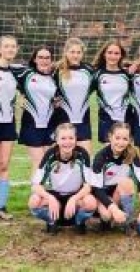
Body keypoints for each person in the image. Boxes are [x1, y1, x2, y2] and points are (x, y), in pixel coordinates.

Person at [28, 123, 98, 234]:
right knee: (34, 201)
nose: (67, 142)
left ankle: (79, 222)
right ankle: (52, 221)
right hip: (56, 197)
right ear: (57, 140)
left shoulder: (82, 154)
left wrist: (74, 198)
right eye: (63, 138)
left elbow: (88, 186)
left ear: (75, 139)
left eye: (71, 138)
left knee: (91, 202)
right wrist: (50, 198)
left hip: (75, 198)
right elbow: (35, 185)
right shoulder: (50, 155)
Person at [91, 122, 140, 234]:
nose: (121, 142)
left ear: (130, 140)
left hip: (120, 192)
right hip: (102, 194)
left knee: (127, 182)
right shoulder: (101, 156)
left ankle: (129, 221)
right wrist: (114, 209)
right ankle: (106, 222)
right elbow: (96, 189)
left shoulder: (132, 154)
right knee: (107, 215)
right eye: (117, 138)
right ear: (110, 137)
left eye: (125, 139)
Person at [11, 46, 57, 175]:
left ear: (51, 60)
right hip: (31, 125)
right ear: (34, 59)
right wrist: (17, 98)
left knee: (48, 163)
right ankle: (36, 194)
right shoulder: (25, 73)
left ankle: (43, 194)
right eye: (40, 57)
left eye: (47, 58)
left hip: (50, 126)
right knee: (39, 163)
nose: (44, 60)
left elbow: (57, 97)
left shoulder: (54, 77)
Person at [53, 37, 95, 155]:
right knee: (62, 160)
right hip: (62, 121)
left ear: (82, 53)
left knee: (86, 159)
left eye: (78, 52)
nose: (75, 55)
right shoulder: (56, 70)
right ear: (66, 52)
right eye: (72, 52)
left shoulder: (89, 70)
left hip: (83, 121)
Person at [91, 39, 133, 143]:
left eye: (116, 53)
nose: (113, 56)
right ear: (104, 54)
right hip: (106, 119)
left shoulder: (127, 75)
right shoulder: (97, 74)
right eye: (110, 53)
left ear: (121, 56)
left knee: (125, 153)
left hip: (125, 118)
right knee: (109, 154)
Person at [0, 35, 19, 220]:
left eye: (13, 46)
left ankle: (1, 206)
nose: (10, 49)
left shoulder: (17, 72)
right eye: (6, 46)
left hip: (8, 123)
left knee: (4, 165)